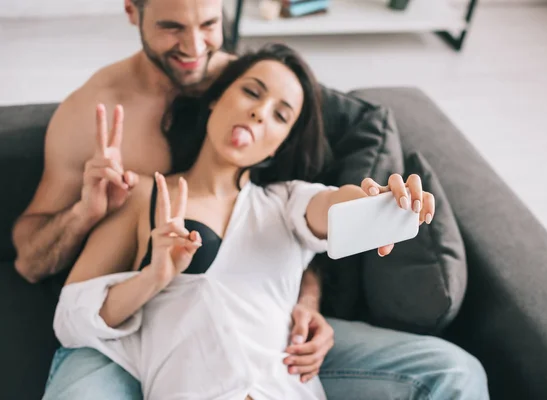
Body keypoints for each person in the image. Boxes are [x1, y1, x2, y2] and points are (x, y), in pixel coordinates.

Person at [11, 0, 489, 399]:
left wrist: (382, 203)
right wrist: (140, 262)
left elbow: (329, 210)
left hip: (278, 377)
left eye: (279, 115)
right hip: (167, 365)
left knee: (458, 372)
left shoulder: (284, 201)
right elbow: (67, 306)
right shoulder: (139, 186)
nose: (194, 47)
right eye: (252, 94)